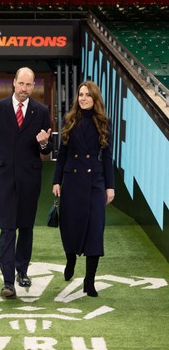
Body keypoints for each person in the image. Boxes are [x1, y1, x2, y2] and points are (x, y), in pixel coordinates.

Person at [0, 67, 52, 299]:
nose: (24, 89)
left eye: (29, 85)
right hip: (3, 178)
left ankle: (22, 271)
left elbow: (48, 149)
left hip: (30, 178)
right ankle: (8, 281)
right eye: (21, 84)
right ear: (14, 83)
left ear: (33, 87)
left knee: (26, 228)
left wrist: (43, 144)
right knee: (8, 228)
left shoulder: (41, 111)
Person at [52, 81, 115, 297]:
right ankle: (70, 258)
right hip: (72, 179)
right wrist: (56, 180)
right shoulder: (70, 120)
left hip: (95, 182)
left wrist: (110, 186)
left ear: (95, 98)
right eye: (80, 94)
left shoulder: (104, 123)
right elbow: (62, 154)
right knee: (70, 226)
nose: (83, 98)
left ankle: (89, 281)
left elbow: (107, 157)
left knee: (95, 230)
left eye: (88, 95)